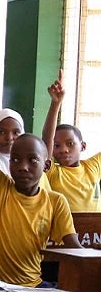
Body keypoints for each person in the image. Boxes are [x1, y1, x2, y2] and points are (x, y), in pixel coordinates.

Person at [0, 68, 82, 288]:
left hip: (33, 285)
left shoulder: (55, 202)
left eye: (31, 161)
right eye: (15, 160)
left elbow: (73, 245)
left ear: (46, 165)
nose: (22, 167)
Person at [44, 74, 101, 211]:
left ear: (82, 146)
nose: (63, 149)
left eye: (70, 144)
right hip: (67, 231)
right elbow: (47, 139)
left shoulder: (92, 167)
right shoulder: (53, 172)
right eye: (56, 146)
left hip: (95, 231)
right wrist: (55, 104)